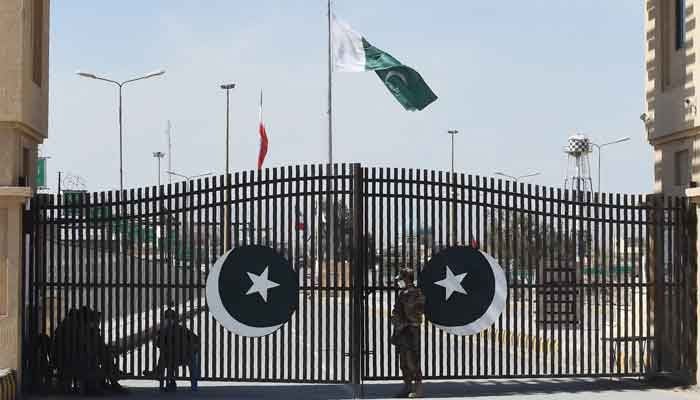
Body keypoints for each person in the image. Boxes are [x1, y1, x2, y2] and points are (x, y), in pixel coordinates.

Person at [390, 267, 425, 398]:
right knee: (403, 361)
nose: (399, 282)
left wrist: (406, 321)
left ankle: (418, 389)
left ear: (406, 279)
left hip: (410, 330)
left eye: (401, 279)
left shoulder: (416, 293)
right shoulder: (403, 293)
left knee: (412, 360)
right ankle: (407, 386)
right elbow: (396, 310)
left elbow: (418, 312)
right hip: (401, 330)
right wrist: (396, 320)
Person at [149, 305, 200, 392]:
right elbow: (196, 339)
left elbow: (158, 345)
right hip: (183, 358)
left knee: (165, 356)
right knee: (167, 355)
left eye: (168, 318)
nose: (168, 320)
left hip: (175, 359)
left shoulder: (164, 331)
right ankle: (169, 380)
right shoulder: (181, 329)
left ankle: (159, 374)